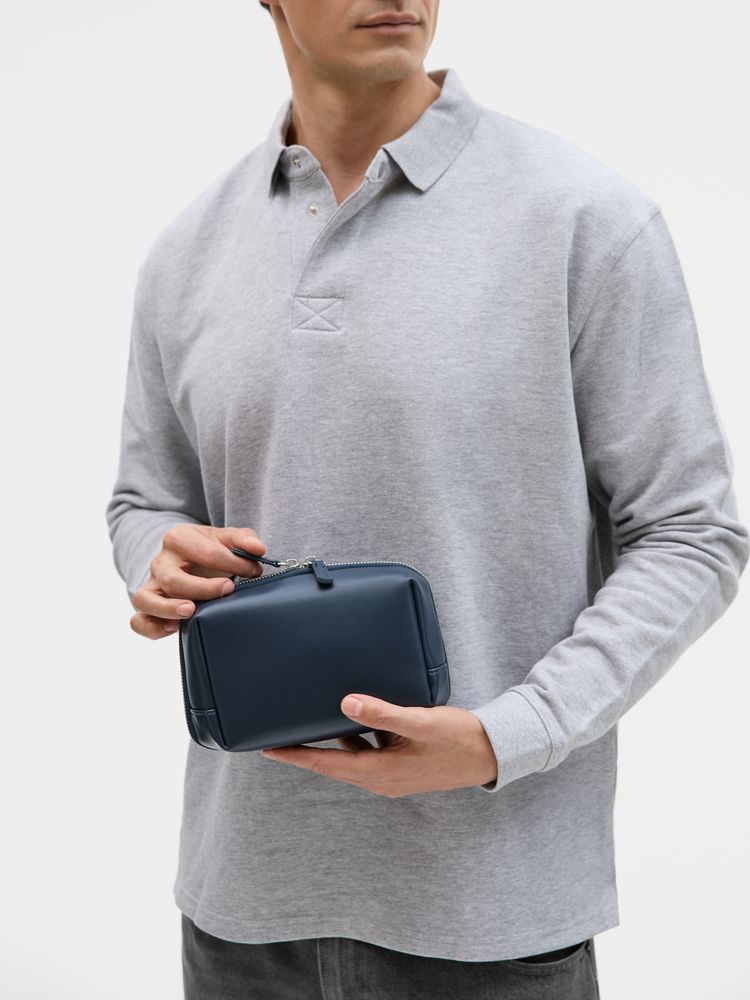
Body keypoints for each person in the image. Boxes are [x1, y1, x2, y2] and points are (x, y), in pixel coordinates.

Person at [105, 1, 749, 997]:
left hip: (492, 915)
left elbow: (691, 533)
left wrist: (507, 735)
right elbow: (144, 500)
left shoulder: (585, 219)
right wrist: (157, 555)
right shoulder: (187, 251)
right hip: (241, 911)